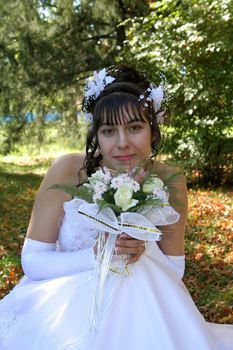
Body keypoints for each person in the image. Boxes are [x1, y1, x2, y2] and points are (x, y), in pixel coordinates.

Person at [0, 64, 232, 350]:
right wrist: (98, 255)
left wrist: (142, 246)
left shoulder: (170, 181)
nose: (123, 144)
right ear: (96, 136)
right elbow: (33, 261)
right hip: (63, 307)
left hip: (145, 311)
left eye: (135, 128)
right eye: (109, 130)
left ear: (153, 132)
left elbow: (174, 270)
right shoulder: (67, 171)